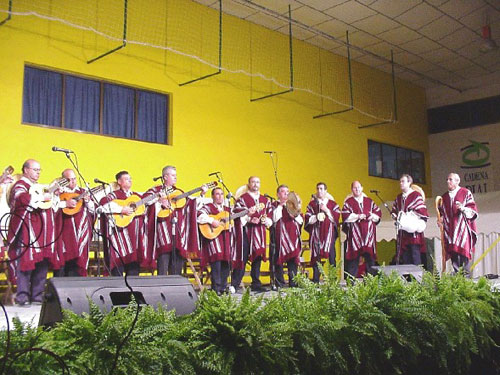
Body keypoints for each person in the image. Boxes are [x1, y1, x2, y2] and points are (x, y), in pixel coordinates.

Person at [7, 159, 56, 305]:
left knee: (41, 262)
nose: (38, 172)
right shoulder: (20, 185)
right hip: (27, 230)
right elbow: (21, 199)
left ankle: (37, 296)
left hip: (42, 231)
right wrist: (43, 197)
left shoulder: (37, 187)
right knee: (26, 262)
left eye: (40, 170)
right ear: (26, 170)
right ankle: (22, 297)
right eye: (35, 169)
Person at [144, 165, 205, 276]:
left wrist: (202, 194)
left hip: (178, 231)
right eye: (173, 175)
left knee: (177, 265)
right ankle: (161, 289)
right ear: (165, 177)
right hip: (163, 232)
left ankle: (175, 287)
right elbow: (145, 203)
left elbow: (191, 205)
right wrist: (159, 201)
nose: (175, 178)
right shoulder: (155, 190)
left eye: (176, 175)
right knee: (163, 262)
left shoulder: (179, 192)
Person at [230, 176, 272, 293]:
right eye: (253, 182)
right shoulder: (243, 198)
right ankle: (235, 283)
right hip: (246, 232)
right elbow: (237, 211)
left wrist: (265, 220)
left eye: (258, 182)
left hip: (260, 232)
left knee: (257, 257)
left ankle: (256, 283)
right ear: (249, 184)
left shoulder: (265, 199)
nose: (255, 184)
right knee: (242, 257)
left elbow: (269, 214)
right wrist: (249, 218)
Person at [98, 171, 144, 276]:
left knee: (133, 269)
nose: (130, 180)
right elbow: (103, 204)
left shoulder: (136, 196)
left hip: (134, 238)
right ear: (119, 181)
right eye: (127, 178)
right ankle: (117, 291)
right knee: (118, 268)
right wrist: (121, 209)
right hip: (119, 236)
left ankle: (134, 291)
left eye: (131, 178)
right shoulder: (113, 195)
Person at [55, 169, 95, 276]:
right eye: (69, 179)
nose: (72, 182)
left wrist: (87, 201)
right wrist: (64, 203)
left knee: (77, 265)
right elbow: (52, 206)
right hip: (64, 234)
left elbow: (92, 210)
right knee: (62, 263)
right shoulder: (58, 193)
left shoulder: (82, 192)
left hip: (80, 234)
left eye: (74, 179)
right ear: (63, 180)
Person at [438, 173, 478, 276]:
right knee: (454, 257)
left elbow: (472, 210)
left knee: (464, 256)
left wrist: (463, 208)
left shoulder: (465, 192)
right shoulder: (444, 197)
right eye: (447, 179)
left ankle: (466, 282)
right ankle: (458, 281)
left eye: (450, 179)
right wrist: (440, 220)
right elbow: (442, 213)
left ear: (457, 181)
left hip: (462, 230)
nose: (448, 181)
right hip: (450, 231)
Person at [197, 187, 233, 295]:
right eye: (217, 194)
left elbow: (231, 223)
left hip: (225, 238)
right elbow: (199, 215)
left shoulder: (227, 209)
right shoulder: (208, 207)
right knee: (216, 260)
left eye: (221, 194)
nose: (220, 196)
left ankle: (223, 287)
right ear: (212, 196)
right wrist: (211, 220)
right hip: (213, 237)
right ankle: (215, 288)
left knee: (226, 261)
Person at [341, 181, 381, 277]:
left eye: (359, 187)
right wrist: (358, 216)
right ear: (352, 190)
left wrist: (371, 216)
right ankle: (351, 284)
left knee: (370, 260)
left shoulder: (369, 201)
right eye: (355, 188)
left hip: (368, 236)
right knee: (353, 261)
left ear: (362, 188)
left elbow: (378, 214)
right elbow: (345, 216)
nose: (357, 189)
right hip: (355, 237)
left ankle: (372, 283)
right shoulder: (348, 202)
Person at [305, 182, 340, 283]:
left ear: (326, 191)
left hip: (329, 235)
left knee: (332, 256)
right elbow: (307, 218)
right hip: (316, 234)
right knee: (316, 256)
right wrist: (316, 217)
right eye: (318, 189)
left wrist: (327, 210)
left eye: (321, 189)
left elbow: (336, 218)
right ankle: (316, 280)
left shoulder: (333, 204)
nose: (319, 191)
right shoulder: (312, 204)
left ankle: (333, 279)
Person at [391, 174, 429, 266]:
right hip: (403, 233)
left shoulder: (416, 195)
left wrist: (408, 214)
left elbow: (422, 211)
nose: (401, 183)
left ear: (409, 182)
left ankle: (418, 279)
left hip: (413, 233)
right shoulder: (399, 197)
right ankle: (408, 279)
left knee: (415, 256)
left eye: (403, 181)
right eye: (400, 181)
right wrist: (394, 215)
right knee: (405, 257)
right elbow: (394, 210)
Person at [271, 184, 303, 288]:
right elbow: (274, 219)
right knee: (278, 262)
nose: (286, 193)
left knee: (293, 262)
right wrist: (281, 206)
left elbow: (300, 221)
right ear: (278, 194)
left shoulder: (294, 205)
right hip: (279, 240)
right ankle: (280, 284)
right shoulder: (274, 205)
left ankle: (293, 284)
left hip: (293, 239)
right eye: (283, 191)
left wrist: (294, 211)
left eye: (287, 191)